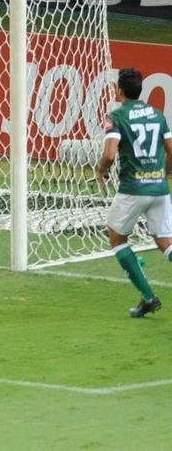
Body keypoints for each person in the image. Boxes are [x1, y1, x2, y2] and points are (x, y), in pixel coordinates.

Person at [96, 67, 172, 318]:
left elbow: (109, 153)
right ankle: (146, 297)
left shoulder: (116, 117)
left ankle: (149, 298)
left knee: (117, 238)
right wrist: (165, 172)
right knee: (165, 242)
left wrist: (101, 171)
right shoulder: (158, 115)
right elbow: (170, 148)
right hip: (159, 187)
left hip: (133, 189)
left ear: (119, 90)